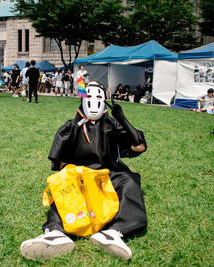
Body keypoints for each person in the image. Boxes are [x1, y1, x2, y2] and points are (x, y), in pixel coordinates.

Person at [20, 81, 147, 261]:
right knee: (63, 185)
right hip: (80, 177)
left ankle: (113, 233)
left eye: (98, 96)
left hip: (109, 176)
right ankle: (55, 233)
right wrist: (73, 177)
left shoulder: (112, 125)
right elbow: (62, 162)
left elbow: (139, 147)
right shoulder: (71, 127)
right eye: (89, 95)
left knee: (130, 181)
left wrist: (123, 120)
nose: (93, 100)